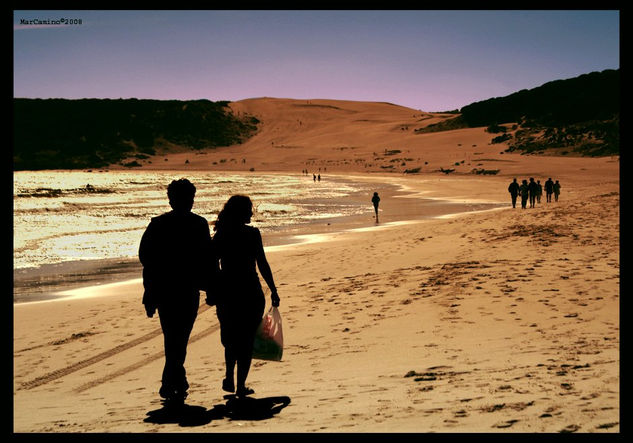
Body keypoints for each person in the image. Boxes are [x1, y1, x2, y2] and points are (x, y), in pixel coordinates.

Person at [139, 178, 214, 404]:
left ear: (170, 200)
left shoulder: (158, 224)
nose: (189, 202)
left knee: (173, 336)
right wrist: (212, 287)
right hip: (187, 288)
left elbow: (146, 258)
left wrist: (150, 293)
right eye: (189, 198)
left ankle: (174, 379)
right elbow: (208, 260)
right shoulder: (199, 224)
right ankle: (172, 380)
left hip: (165, 289)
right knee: (179, 337)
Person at [211, 195, 280, 398]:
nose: (252, 213)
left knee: (231, 337)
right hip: (250, 290)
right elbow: (262, 263)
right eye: (249, 209)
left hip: (227, 291)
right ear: (241, 212)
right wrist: (273, 289)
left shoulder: (221, 234)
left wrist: (213, 289)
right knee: (247, 339)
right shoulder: (252, 234)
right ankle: (240, 385)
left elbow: (211, 263)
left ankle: (229, 376)